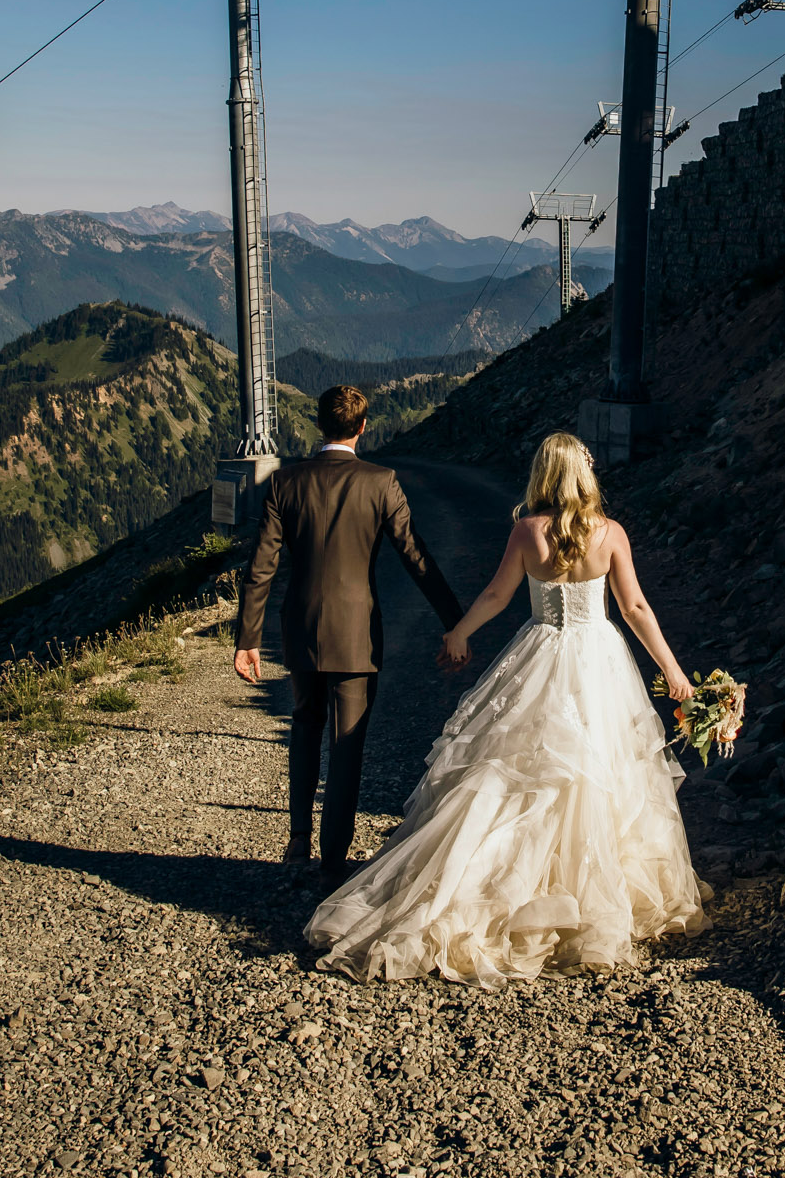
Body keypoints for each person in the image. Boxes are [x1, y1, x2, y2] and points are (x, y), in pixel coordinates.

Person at [305, 431, 708, 986]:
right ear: (584, 475)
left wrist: (458, 634)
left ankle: (514, 887)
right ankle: (591, 896)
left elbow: (496, 595)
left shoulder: (527, 531)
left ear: (543, 475)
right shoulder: (609, 534)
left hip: (541, 651)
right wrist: (673, 671)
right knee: (599, 774)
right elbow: (634, 606)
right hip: (598, 661)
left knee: (522, 776)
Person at [235, 383, 463, 888]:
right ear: (362, 428)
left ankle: (298, 839)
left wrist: (247, 637)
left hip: (299, 630)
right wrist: (456, 621)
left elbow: (261, 566)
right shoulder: (382, 483)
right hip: (357, 637)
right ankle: (334, 861)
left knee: (304, 724)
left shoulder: (284, 483)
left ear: (320, 425)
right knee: (347, 745)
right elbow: (415, 556)